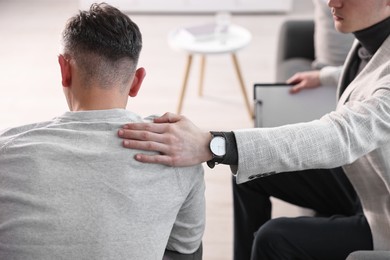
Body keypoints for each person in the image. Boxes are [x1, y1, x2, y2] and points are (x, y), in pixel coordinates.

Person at [118, 0, 390, 259]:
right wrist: (324, 75)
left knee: (274, 237)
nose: (332, 3)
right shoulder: (372, 37)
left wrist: (213, 144)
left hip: (383, 218)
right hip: (364, 182)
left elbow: (339, 135)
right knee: (248, 173)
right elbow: (373, 66)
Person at [0, 3, 205, 260]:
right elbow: (186, 250)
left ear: (64, 70)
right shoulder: (178, 152)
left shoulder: (7, 150)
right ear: (137, 81)